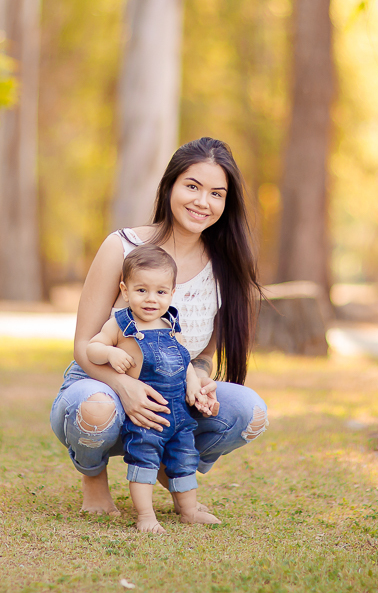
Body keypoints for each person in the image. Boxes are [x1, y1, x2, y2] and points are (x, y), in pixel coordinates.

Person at [50, 136, 269, 519]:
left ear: (226, 203)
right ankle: (93, 478)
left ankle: (172, 468)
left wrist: (197, 379)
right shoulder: (122, 247)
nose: (203, 202)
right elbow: (83, 344)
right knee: (97, 409)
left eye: (217, 193)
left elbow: (202, 353)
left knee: (251, 411)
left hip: (172, 394)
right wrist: (125, 386)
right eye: (192, 186)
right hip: (101, 382)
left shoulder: (225, 268)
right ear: (170, 186)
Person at [87, 244, 220, 533]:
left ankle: (188, 511)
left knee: (184, 459)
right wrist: (110, 354)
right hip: (146, 412)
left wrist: (193, 383)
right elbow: (92, 347)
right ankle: (146, 515)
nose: (151, 299)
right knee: (144, 461)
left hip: (179, 413)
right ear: (125, 290)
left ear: (172, 293)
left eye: (160, 292)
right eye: (141, 290)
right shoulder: (121, 324)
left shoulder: (171, 322)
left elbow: (183, 357)